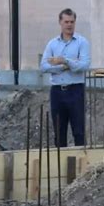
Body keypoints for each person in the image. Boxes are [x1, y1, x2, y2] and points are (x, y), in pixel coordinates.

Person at [40, 8, 91, 147]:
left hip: (75, 90)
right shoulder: (53, 43)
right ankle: (60, 164)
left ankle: (81, 162)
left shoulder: (82, 42)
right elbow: (43, 66)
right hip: (57, 91)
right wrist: (63, 67)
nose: (69, 25)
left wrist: (65, 60)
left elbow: (84, 65)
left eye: (72, 22)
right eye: (66, 22)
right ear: (60, 23)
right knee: (59, 130)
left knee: (78, 130)